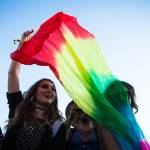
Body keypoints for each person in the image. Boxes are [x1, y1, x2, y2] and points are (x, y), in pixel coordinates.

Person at [1, 31, 66, 150]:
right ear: (33, 92)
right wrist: (22, 44)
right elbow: (12, 73)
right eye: (44, 86)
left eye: (53, 89)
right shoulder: (18, 109)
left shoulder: (58, 126)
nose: (50, 90)